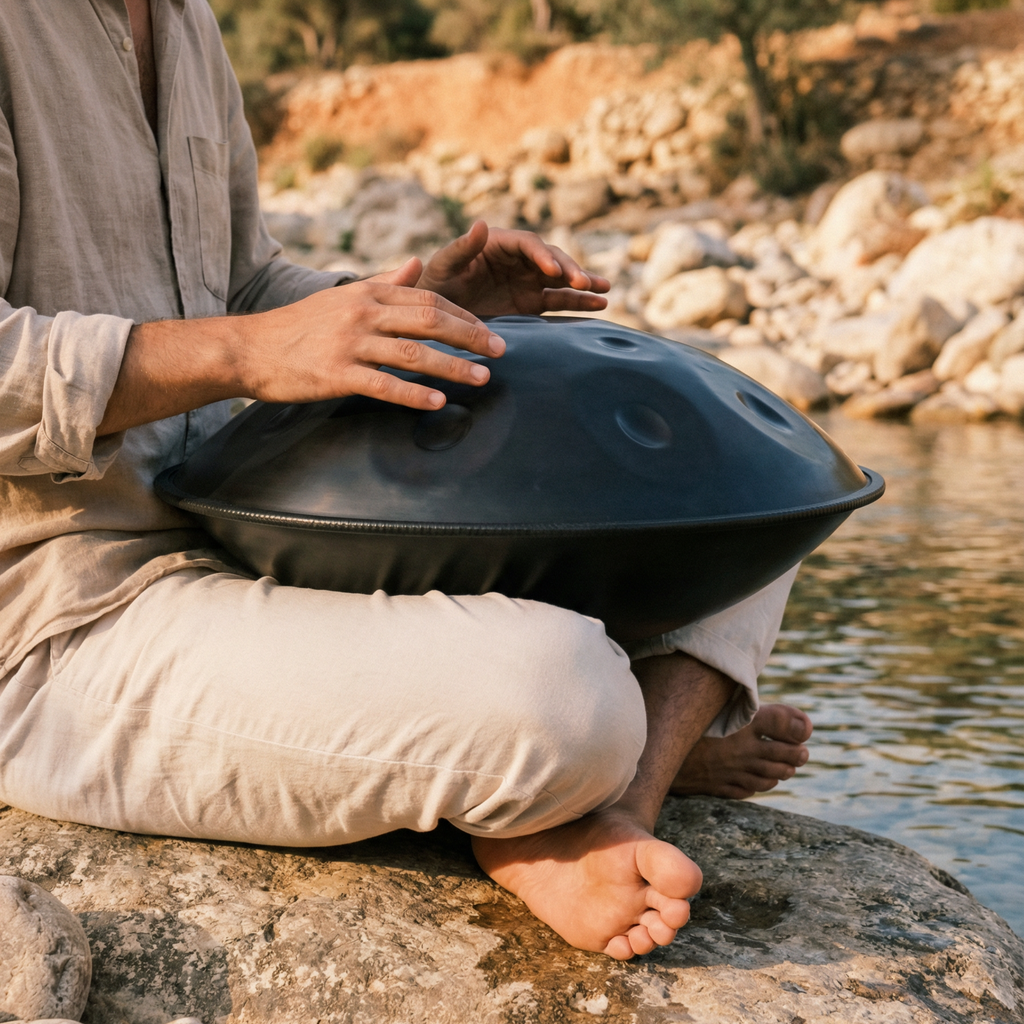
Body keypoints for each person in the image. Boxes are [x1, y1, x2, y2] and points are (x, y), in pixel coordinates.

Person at [0, 0, 812, 960]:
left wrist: (418, 307)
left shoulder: (181, 17)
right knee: (563, 694)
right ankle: (583, 769)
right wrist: (252, 353)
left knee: (739, 494)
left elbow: (240, 282)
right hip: (61, 619)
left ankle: (614, 802)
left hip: (236, 526)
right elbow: (241, 336)